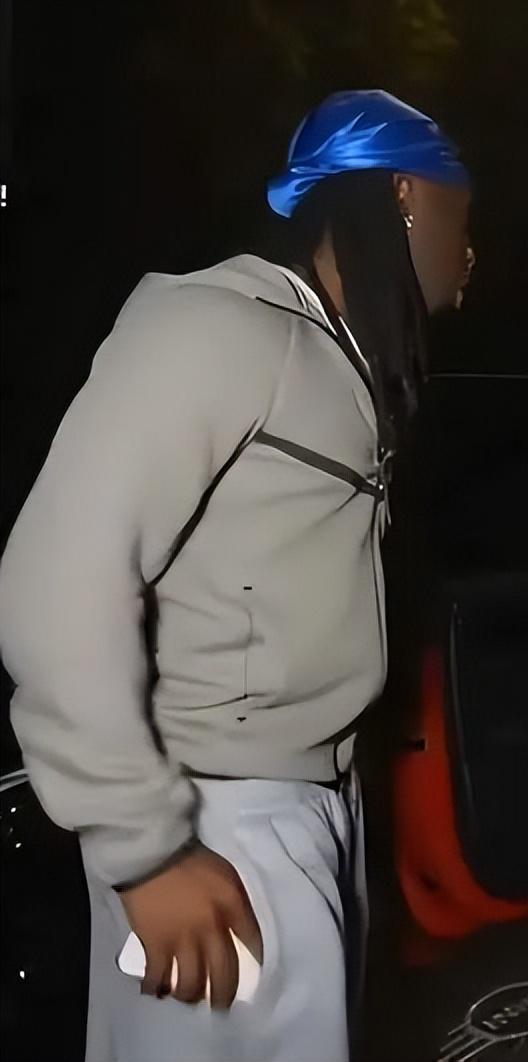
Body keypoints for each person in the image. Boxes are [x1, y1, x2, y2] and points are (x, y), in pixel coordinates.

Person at [0, 89, 472, 1062]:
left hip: (310, 804)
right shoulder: (219, 328)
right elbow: (59, 574)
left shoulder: (340, 361)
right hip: (217, 822)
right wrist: (146, 848)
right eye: (460, 215)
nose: (470, 252)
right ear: (401, 195)